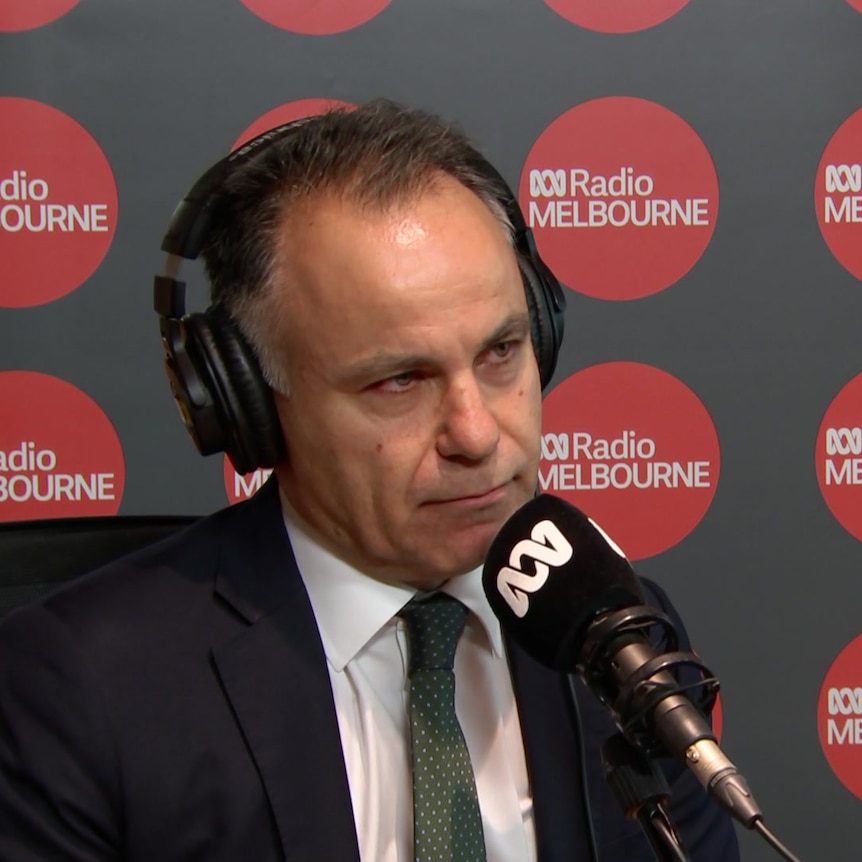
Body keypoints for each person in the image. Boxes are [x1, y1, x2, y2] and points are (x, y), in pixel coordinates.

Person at [0, 99, 739, 861]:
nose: (478, 434)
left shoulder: (618, 633)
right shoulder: (80, 689)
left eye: (501, 351)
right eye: (398, 381)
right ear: (251, 404)